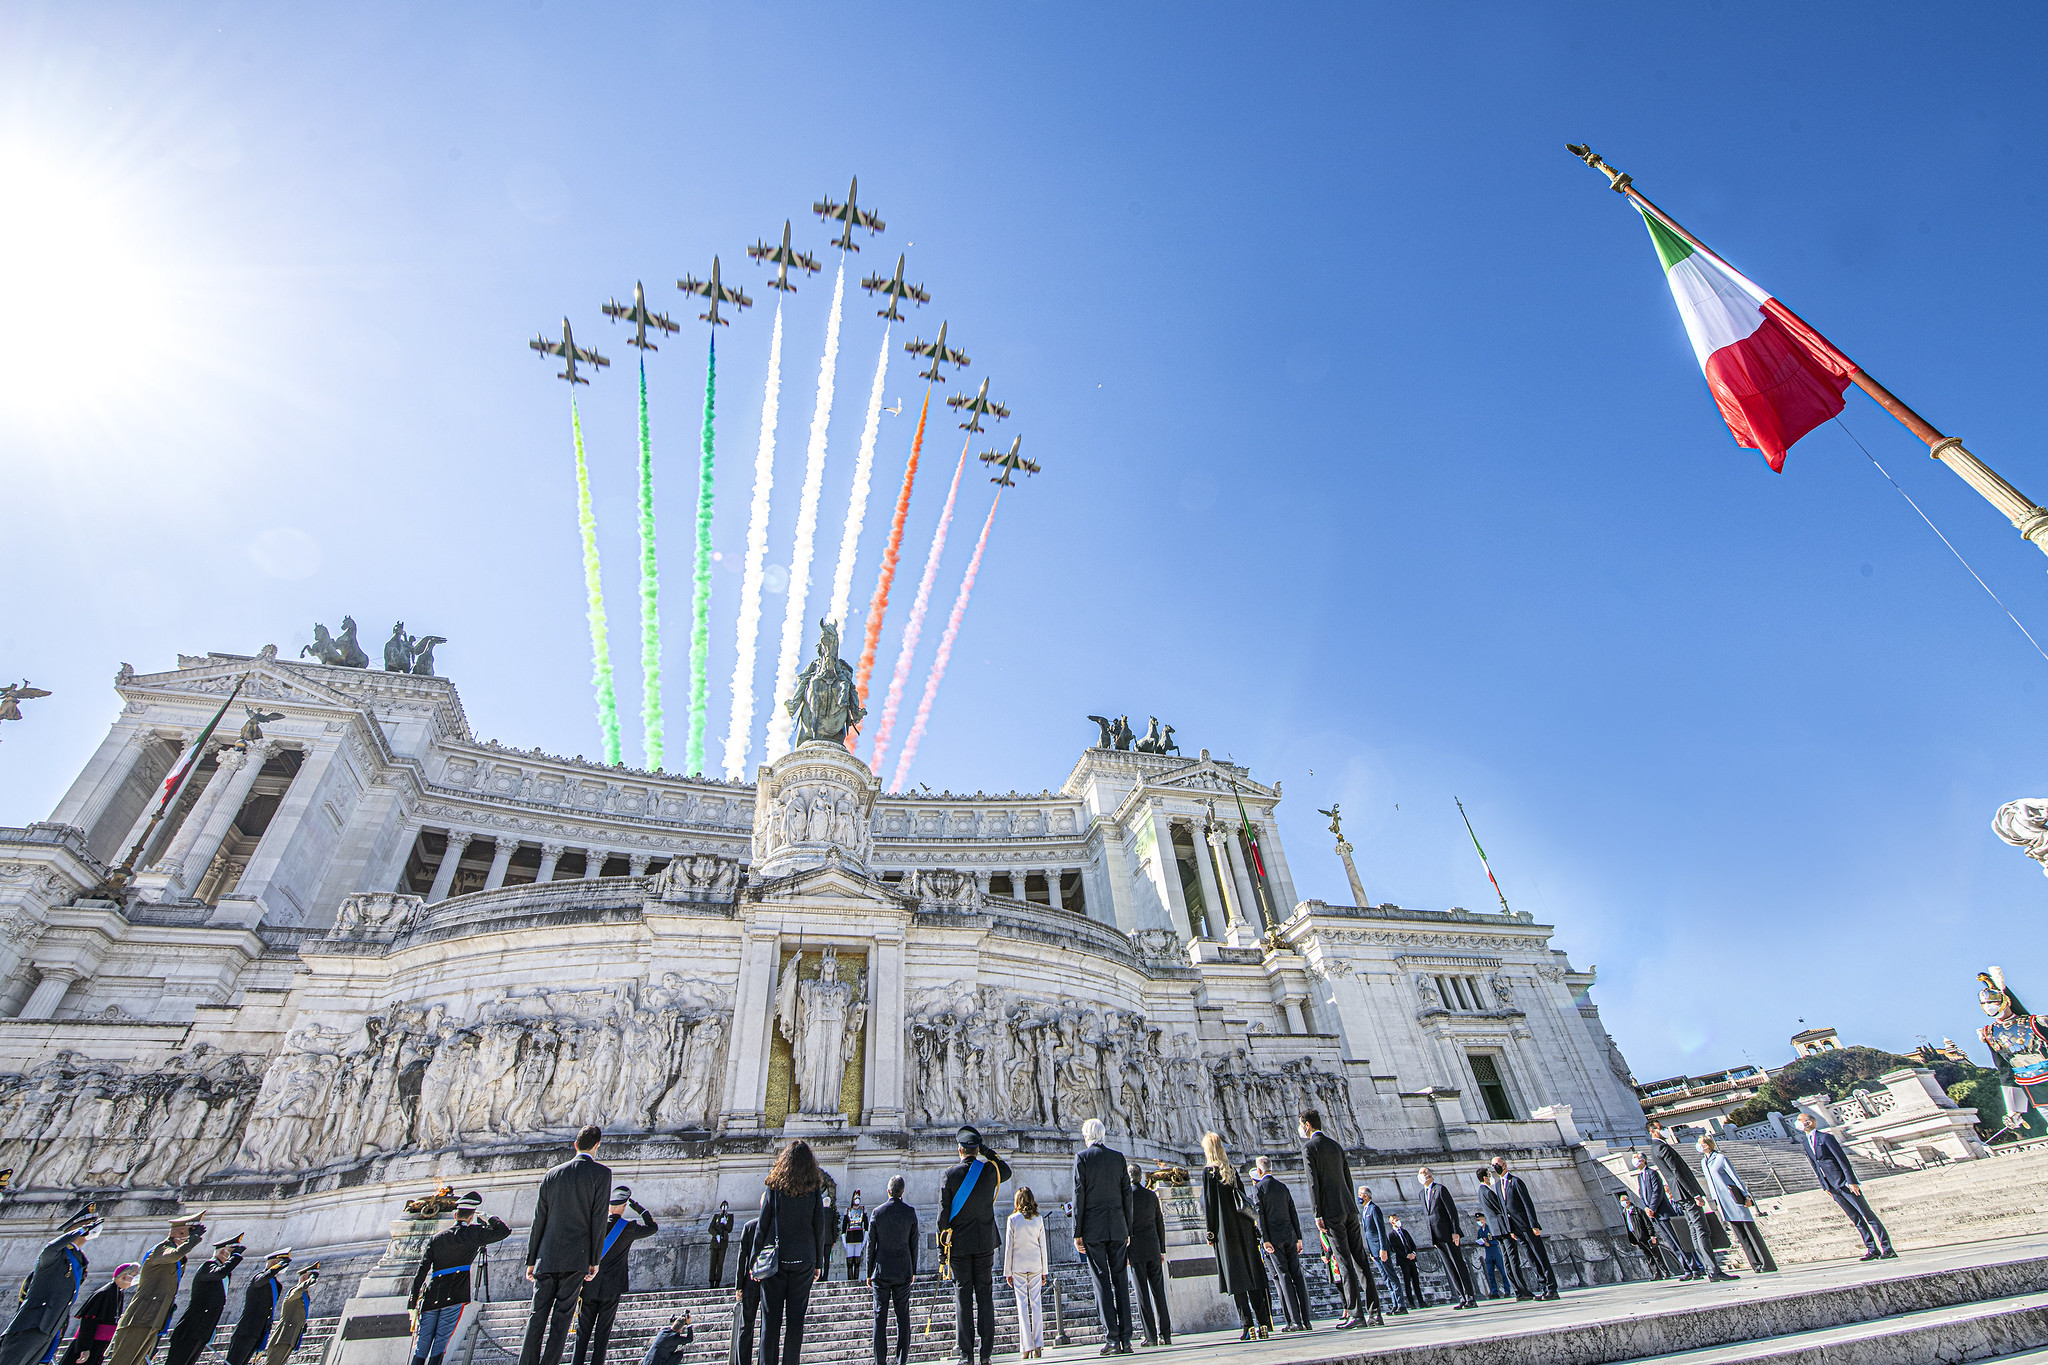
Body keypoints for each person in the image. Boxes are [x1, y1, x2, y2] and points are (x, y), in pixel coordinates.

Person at [521, 1126, 612, 1365]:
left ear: (575, 1145)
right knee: (562, 1318)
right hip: (577, 1258)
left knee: (536, 1316)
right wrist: (594, 1260)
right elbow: (598, 1219)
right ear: (597, 1145)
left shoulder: (552, 1174)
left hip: (546, 1257)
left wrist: (532, 1260)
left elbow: (538, 1219)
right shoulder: (601, 1174)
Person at [1297, 1109, 1381, 1329]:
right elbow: (1347, 1178)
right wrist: (1352, 1205)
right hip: (1349, 1208)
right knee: (1361, 1260)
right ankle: (1375, 1312)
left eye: (1301, 1124)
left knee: (1344, 1262)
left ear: (1306, 1125)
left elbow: (1313, 1183)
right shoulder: (1335, 1145)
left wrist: (1317, 1213)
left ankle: (1356, 1314)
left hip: (1331, 1212)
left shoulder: (1309, 1148)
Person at [938, 1126, 1013, 1365]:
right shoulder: (989, 1171)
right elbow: (1006, 1171)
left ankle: (966, 1355)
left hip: (959, 1246)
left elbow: (943, 1216)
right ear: (975, 1149)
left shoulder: (950, 1175)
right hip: (984, 1244)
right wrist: (987, 1152)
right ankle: (986, 1355)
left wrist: (942, 1252)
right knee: (985, 1297)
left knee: (963, 1299)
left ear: (959, 1149)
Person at [408, 1191, 511, 1365]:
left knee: (422, 1345)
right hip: (455, 1296)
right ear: (471, 1217)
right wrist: (488, 1217)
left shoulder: (436, 1238)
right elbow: (503, 1232)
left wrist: (412, 1303)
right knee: (440, 1344)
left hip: (432, 1297)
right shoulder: (474, 1233)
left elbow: (421, 1272)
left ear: (455, 1215)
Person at [757, 1139, 833, 1365]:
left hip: (776, 1259)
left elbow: (763, 1225)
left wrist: (755, 1261)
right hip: (804, 1261)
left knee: (770, 1321)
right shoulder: (813, 1190)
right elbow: (819, 1227)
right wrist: (818, 1262)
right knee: (795, 1321)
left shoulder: (774, 1188)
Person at [0, 1211, 103, 1365]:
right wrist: (78, 1232)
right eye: (88, 1225)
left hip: (51, 1327)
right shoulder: (55, 1255)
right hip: (33, 1323)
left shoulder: (79, 1259)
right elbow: (50, 1248)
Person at [573, 1186, 660, 1365]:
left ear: (609, 1207)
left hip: (589, 1285)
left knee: (582, 1335)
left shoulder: (594, 1226)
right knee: (602, 1336)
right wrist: (640, 1209)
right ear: (623, 1207)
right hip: (612, 1288)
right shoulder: (628, 1228)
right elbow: (652, 1227)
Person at [1200, 1132, 1272, 1341]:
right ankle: (1264, 1324)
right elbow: (1243, 1197)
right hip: (1244, 1228)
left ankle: (1247, 1325)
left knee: (1237, 1278)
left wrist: (1211, 1232)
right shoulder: (1230, 1170)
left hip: (1226, 1231)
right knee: (1252, 1275)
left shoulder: (1208, 1172)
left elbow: (1210, 1206)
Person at [1794, 1112, 1894, 1261]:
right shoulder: (1805, 1142)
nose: (1797, 1123)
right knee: (1856, 1219)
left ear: (1809, 1123)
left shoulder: (1826, 1138)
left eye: (1800, 1120)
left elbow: (1842, 1159)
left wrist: (1851, 1181)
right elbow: (1815, 1164)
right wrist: (1824, 1186)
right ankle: (1872, 1249)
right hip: (1832, 1186)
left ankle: (1887, 1248)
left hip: (1844, 1182)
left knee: (1867, 1215)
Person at [106, 1216, 206, 1365]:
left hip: (155, 1318)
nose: (190, 1236)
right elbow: (174, 1255)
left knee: (137, 1362)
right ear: (179, 1233)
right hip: (141, 1317)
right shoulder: (161, 1250)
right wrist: (193, 1239)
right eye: (190, 1232)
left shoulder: (176, 1257)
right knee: (123, 1362)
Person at [1072, 1118, 1133, 1356]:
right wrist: (1128, 1228)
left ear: (1087, 1136)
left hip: (1093, 1230)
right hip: (1118, 1228)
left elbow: (1079, 1197)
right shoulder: (1118, 1158)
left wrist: (1077, 1232)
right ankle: (1127, 1338)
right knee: (1120, 1281)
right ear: (1103, 1135)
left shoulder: (1083, 1158)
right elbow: (1127, 1194)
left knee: (1101, 1281)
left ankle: (1112, 1338)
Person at [1645, 1122, 1736, 1282]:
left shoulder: (1654, 1149)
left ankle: (1708, 1268)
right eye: (1661, 1127)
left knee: (1695, 1231)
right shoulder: (1663, 1148)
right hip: (1686, 1194)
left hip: (1679, 1194)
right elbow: (1678, 1172)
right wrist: (1695, 1194)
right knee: (1702, 1230)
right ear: (1653, 1131)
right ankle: (1713, 1270)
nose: (1665, 1130)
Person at [1695, 1137, 1776, 1274]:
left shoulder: (1720, 1158)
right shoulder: (1704, 1162)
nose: (1700, 1146)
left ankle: (1766, 1262)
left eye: (1702, 1144)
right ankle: (1755, 1263)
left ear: (1708, 1145)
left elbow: (1734, 1177)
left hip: (1733, 1197)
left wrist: (1746, 1195)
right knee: (1740, 1233)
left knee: (1749, 1229)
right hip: (1721, 1200)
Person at [164, 1235, 246, 1365]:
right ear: (223, 1251)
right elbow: (219, 1273)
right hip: (191, 1328)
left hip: (204, 1330)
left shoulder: (225, 1272)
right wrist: (236, 1257)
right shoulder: (208, 1265)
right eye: (231, 1252)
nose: (232, 1255)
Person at [1252, 1158, 1310, 1332]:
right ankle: (1307, 1320)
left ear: (1259, 1171)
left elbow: (1260, 1216)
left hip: (1274, 1239)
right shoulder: (1283, 1187)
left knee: (1284, 1276)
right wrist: (1298, 1237)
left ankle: (1295, 1321)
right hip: (1290, 1235)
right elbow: (1293, 1212)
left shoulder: (1258, 1189)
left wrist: (1265, 1239)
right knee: (1297, 1276)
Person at [868, 1176, 919, 1365]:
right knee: (903, 1318)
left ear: (888, 1191)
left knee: (879, 1317)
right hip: (904, 1271)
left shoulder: (877, 1212)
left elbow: (871, 1245)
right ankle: (901, 1361)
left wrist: (868, 1273)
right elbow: (914, 1243)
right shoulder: (910, 1212)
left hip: (881, 1271)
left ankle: (880, 1361)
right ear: (902, 1192)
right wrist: (913, 1269)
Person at [1492, 1156, 1559, 1300]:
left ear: (1504, 1165)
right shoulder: (1498, 1185)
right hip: (1515, 1228)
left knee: (1539, 1255)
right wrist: (1509, 1230)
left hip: (1526, 1225)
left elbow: (1527, 1204)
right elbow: (1504, 1209)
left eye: (1497, 1164)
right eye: (1493, 1165)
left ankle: (1552, 1288)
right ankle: (1543, 1286)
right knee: (1530, 1258)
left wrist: (1534, 1224)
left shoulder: (1515, 1181)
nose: (1495, 1167)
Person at [1631, 1152, 1704, 1279]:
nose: (1634, 1161)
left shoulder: (1652, 1173)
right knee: (1672, 1244)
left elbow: (1657, 1192)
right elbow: (1642, 1194)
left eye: (1635, 1158)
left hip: (1663, 1213)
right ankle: (1686, 1269)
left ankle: (1695, 1268)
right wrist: (1646, 1208)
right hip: (1654, 1216)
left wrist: (1652, 1208)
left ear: (1643, 1160)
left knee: (1678, 1241)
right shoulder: (1640, 1177)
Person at [1124, 1167, 1170, 1348]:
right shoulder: (1151, 1196)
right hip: (1153, 1248)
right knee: (1159, 1293)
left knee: (1143, 1295)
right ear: (1141, 1177)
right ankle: (1166, 1334)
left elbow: (1125, 1227)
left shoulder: (1126, 1198)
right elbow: (1160, 1224)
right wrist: (1162, 1250)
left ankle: (1150, 1336)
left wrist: (1125, 1253)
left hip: (1135, 1250)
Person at [1417, 1168, 1476, 1310]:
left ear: (1430, 1175)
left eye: (1424, 1173)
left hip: (1448, 1234)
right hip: (1437, 1237)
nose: (1423, 1175)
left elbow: (1451, 1211)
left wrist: (1455, 1232)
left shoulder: (1440, 1189)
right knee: (1450, 1267)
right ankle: (1461, 1296)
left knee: (1458, 1264)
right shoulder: (1421, 1194)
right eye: (1421, 1173)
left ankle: (1470, 1297)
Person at [57, 1264, 136, 1365]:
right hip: (89, 1344)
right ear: (124, 1276)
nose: (137, 1278)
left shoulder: (118, 1292)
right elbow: (88, 1322)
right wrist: (84, 1348)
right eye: (134, 1275)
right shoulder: (103, 1293)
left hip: (100, 1345)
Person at [1003, 1187, 1048, 1361]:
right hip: (1036, 1264)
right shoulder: (1038, 1219)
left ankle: (1026, 1347)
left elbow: (1009, 1248)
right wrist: (1045, 1270)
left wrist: (1007, 1271)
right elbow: (1043, 1246)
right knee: (1036, 1304)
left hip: (1019, 1266)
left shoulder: (1013, 1220)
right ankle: (1038, 1345)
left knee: (1022, 1306)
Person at [224, 1252, 292, 1365]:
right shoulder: (259, 1277)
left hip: (259, 1331)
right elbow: (264, 1278)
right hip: (246, 1329)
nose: (279, 1266)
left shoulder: (276, 1285)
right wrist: (277, 1267)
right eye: (277, 1263)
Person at [1473, 1170, 1529, 1301]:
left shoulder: (1482, 1192)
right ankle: (1522, 1290)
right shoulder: (1487, 1192)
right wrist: (1511, 1228)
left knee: (1507, 1261)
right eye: (1489, 1175)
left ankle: (1517, 1289)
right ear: (1485, 1178)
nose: (1491, 1178)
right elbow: (1501, 1211)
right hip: (1503, 1229)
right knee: (1512, 1259)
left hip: (1496, 1230)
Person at [1358, 1189, 1405, 1315]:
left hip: (1380, 1248)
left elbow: (1380, 1230)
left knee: (1391, 1275)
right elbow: (1368, 1233)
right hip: (1374, 1250)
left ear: (1366, 1196)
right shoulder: (1364, 1211)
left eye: (1360, 1195)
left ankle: (1401, 1305)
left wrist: (1383, 1248)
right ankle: (1394, 1304)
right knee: (1385, 1277)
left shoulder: (1374, 1209)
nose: (1358, 1197)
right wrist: (1371, 1252)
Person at [263, 1267, 318, 1365]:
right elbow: (299, 1289)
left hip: (291, 1337)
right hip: (283, 1337)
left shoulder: (304, 1295)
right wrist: (309, 1280)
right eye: (309, 1276)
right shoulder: (294, 1292)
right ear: (304, 1277)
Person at [1612, 1194, 1667, 1280]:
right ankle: (1656, 1274)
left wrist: (1652, 1235)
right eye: (1621, 1201)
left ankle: (1665, 1272)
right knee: (1648, 1257)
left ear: (1628, 1201)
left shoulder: (1638, 1211)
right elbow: (1628, 1226)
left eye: (1623, 1201)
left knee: (1656, 1255)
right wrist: (1632, 1240)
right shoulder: (1624, 1213)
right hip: (1636, 1236)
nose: (1622, 1203)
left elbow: (1647, 1224)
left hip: (1645, 1236)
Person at [731, 1216, 763, 1365]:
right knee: (768, 1327)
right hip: (771, 1282)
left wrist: (739, 1285)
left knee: (746, 1327)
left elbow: (741, 1257)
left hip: (750, 1282)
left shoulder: (749, 1225)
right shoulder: (776, 1225)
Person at [1386, 1217, 1422, 1308]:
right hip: (1403, 1260)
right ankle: (1411, 1302)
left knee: (1416, 1281)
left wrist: (1413, 1253)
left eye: (1397, 1219)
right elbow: (1394, 1248)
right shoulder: (1391, 1235)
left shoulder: (1404, 1232)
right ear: (1391, 1222)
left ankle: (1421, 1301)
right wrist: (1406, 1256)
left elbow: (1412, 1244)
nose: (1397, 1221)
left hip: (1412, 1259)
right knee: (1407, 1281)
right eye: (1395, 1220)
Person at [1473, 1215, 1510, 1300]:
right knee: (1490, 1273)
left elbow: (1496, 1239)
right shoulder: (1480, 1231)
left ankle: (1507, 1290)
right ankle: (1494, 1292)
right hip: (1488, 1252)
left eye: (1480, 1220)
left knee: (1503, 1272)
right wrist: (1482, 1243)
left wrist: (1490, 1243)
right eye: (1478, 1220)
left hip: (1495, 1251)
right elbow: (1479, 1240)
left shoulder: (1490, 1228)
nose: (1479, 1222)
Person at [842, 1192, 870, 1282]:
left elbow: (866, 1226)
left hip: (859, 1238)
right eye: (855, 1198)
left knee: (857, 1259)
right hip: (850, 1238)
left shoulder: (862, 1211)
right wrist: (844, 1240)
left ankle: (856, 1279)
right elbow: (844, 1227)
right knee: (850, 1260)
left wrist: (865, 1239)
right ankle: (850, 1279)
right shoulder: (848, 1211)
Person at [708, 1203, 735, 1289]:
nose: (724, 1209)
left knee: (720, 1263)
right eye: (723, 1207)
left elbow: (730, 1229)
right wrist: (716, 1235)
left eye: (726, 1207)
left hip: (723, 1242)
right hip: (715, 1242)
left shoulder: (729, 1217)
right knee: (713, 1262)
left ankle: (718, 1281)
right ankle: (711, 1281)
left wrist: (726, 1223)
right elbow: (710, 1228)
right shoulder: (716, 1217)